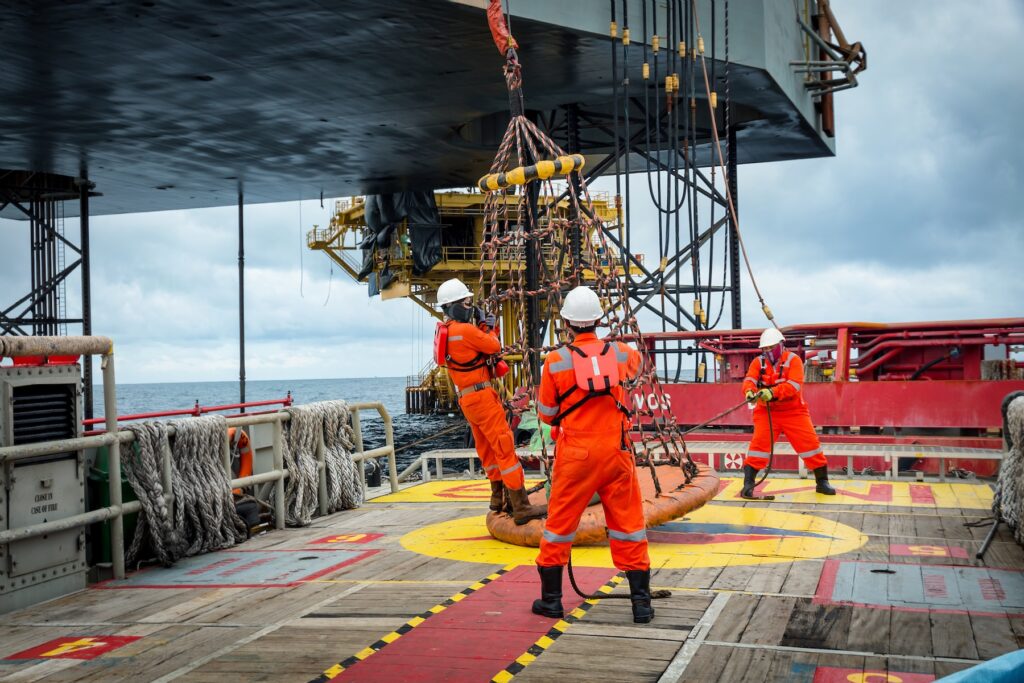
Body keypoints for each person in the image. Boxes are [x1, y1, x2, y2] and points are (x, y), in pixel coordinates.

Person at [531, 286, 655, 624]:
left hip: (577, 455)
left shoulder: (555, 361)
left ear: (567, 323)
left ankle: (552, 600)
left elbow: (545, 412)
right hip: (616, 451)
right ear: (599, 319)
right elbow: (638, 367)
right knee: (629, 525)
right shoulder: (620, 353)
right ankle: (641, 604)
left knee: (559, 526)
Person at [436, 278, 545, 525]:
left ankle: (498, 500)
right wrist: (487, 328)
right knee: (504, 447)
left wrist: (483, 329)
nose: (470, 307)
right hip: (482, 397)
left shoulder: (448, 332)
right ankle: (521, 506)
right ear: (454, 305)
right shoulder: (465, 331)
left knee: (486, 449)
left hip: (467, 398)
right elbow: (493, 346)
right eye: (466, 303)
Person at [741, 328, 836, 498]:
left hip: (794, 412)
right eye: (765, 349)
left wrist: (772, 392)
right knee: (758, 447)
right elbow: (750, 379)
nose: (768, 351)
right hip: (766, 412)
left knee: (810, 445)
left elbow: (794, 385)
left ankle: (822, 482)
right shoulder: (758, 362)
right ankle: (748, 485)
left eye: (771, 347)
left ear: (781, 344)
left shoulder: (794, 360)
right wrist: (749, 391)